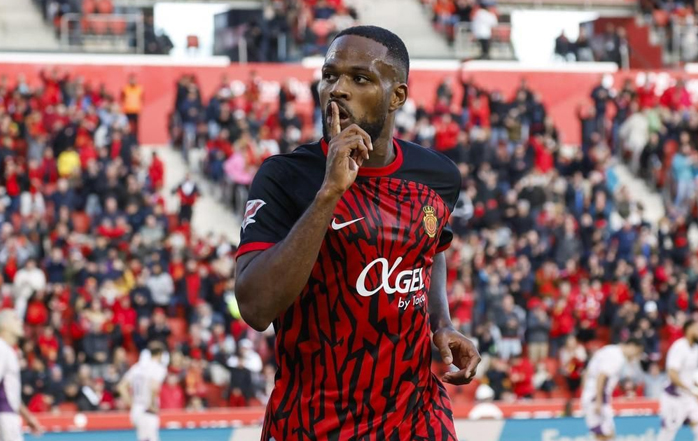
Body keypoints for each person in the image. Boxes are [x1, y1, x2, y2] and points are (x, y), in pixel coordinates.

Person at [235, 25, 481, 440]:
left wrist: (441, 322)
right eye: (330, 75)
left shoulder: (437, 176)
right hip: (312, 423)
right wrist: (329, 194)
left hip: (415, 418)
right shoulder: (286, 177)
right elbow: (255, 308)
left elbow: (431, 245)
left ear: (397, 96)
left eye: (360, 78)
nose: (338, 89)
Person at [580, 338, 644, 440]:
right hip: (597, 398)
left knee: (601, 435)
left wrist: (586, 392)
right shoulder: (617, 357)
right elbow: (601, 376)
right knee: (607, 435)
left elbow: (587, 372)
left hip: (591, 395)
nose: (636, 356)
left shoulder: (609, 349)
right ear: (632, 346)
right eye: (637, 352)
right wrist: (598, 401)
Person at [0, 310, 42, 441]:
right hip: (4, 418)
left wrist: (27, 416)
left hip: (9, 416)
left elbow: (11, 393)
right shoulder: (1, 349)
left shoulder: (8, 349)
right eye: (15, 319)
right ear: (4, 324)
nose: (20, 322)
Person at [656, 319, 698, 441]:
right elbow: (672, 374)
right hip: (674, 397)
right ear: (689, 330)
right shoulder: (679, 347)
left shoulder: (696, 349)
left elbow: (691, 375)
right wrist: (691, 389)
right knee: (668, 433)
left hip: (688, 398)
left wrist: (694, 389)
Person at [117, 342, 168, 441]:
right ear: (160, 354)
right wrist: (152, 405)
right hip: (147, 410)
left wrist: (132, 404)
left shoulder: (137, 367)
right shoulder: (158, 368)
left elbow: (121, 387)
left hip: (136, 409)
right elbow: (154, 387)